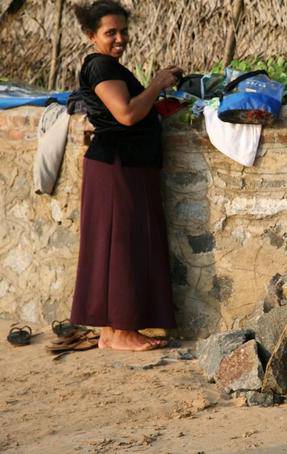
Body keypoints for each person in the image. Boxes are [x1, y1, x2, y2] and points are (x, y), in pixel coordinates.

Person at [69, 0, 183, 351]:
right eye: (110, 33)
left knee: (116, 245)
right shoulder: (101, 66)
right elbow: (127, 114)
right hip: (116, 167)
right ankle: (121, 331)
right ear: (91, 36)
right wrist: (158, 83)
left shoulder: (107, 65)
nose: (120, 38)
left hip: (121, 166)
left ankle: (110, 331)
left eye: (123, 31)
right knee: (121, 246)